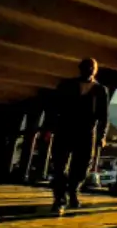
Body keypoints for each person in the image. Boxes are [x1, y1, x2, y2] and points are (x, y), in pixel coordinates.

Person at [47, 58, 109, 215]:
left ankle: (73, 190)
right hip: (64, 129)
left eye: (92, 67)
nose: (89, 69)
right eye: (87, 66)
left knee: (82, 166)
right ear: (80, 68)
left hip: (87, 133)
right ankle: (59, 198)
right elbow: (54, 108)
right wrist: (48, 128)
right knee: (59, 165)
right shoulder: (66, 85)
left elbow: (104, 116)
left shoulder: (101, 90)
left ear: (95, 70)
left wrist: (102, 135)